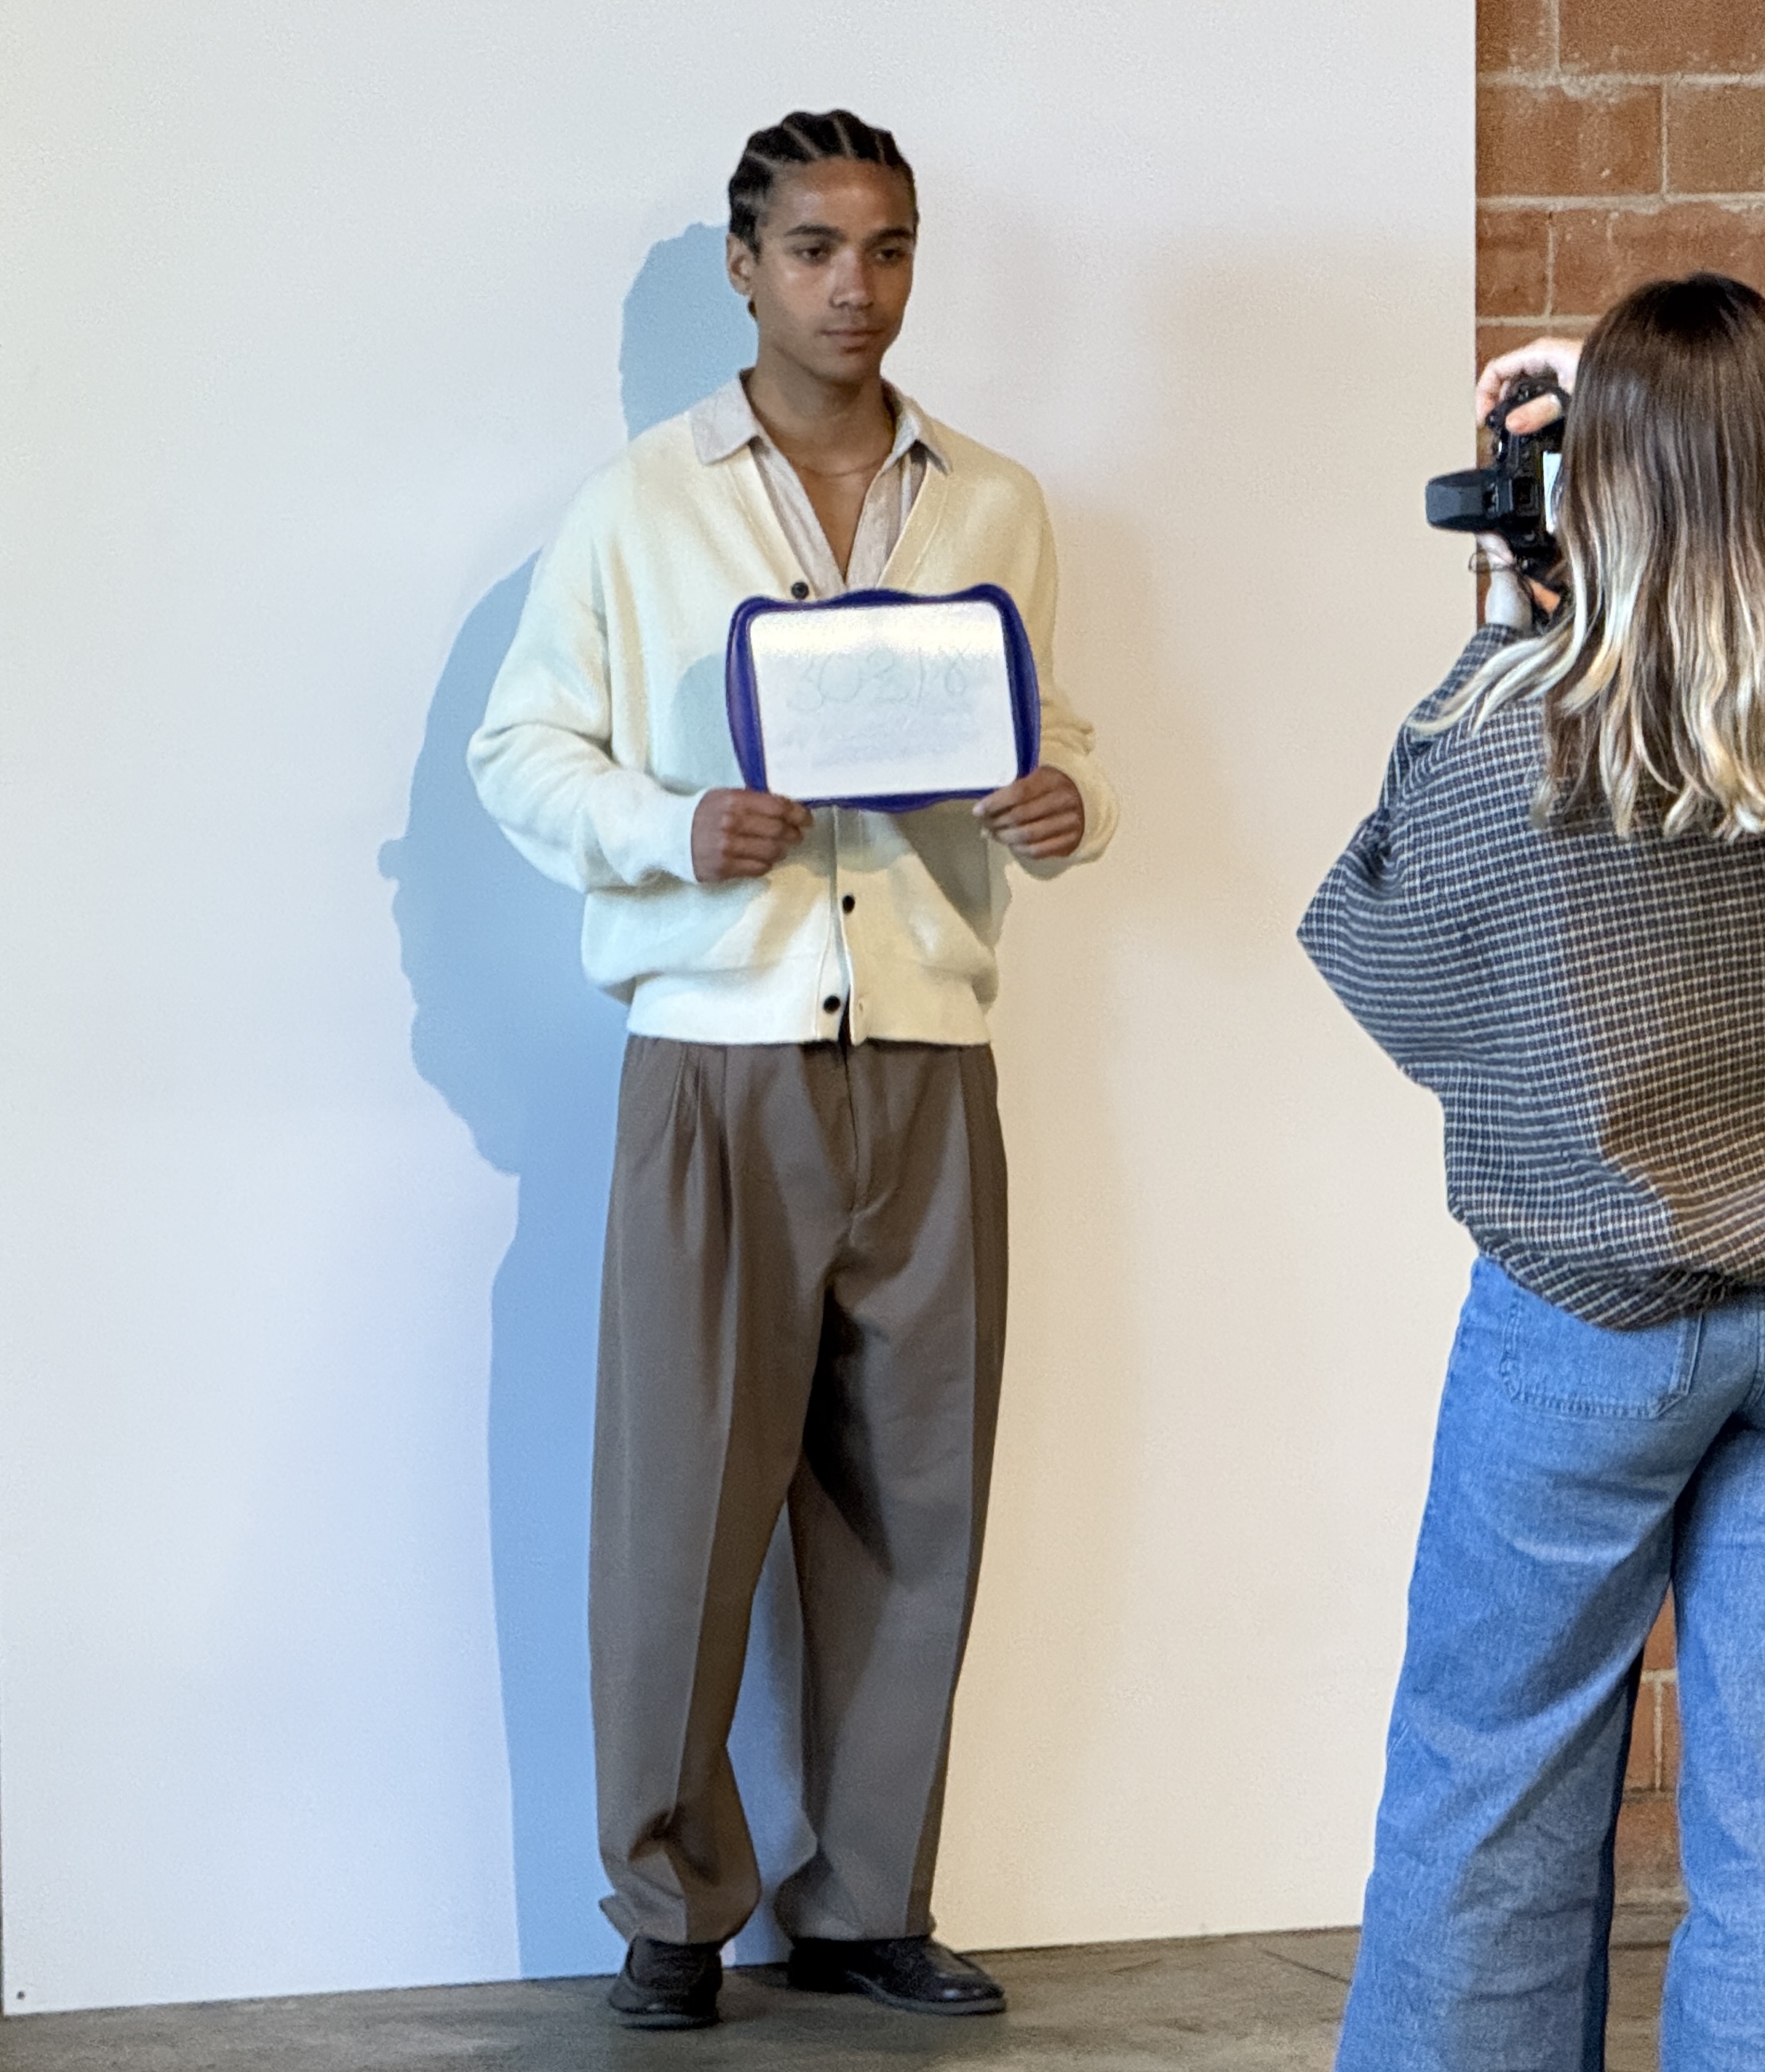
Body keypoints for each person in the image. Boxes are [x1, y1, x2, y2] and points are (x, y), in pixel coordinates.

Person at [1302, 272, 1765, 2072]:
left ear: (1597, 494)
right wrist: (1679, 398)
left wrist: (1507, 598)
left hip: (1591, 1327)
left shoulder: (1518, 746)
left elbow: (1378, 951)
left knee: (1488, 1816)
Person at [468, 108, 1116, 2031]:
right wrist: (675, 829)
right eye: (818, 248)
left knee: (920, 1498)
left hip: (927, 1053)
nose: (858, 285)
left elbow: (1049, 727)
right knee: (686, 1500)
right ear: (743, 269)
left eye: (890, 247)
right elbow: (522, 753)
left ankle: (864, 1899)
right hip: (722, 1058)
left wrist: (1068, 800)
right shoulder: (636, 505)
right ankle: (668, 1911)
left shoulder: (990, 502)